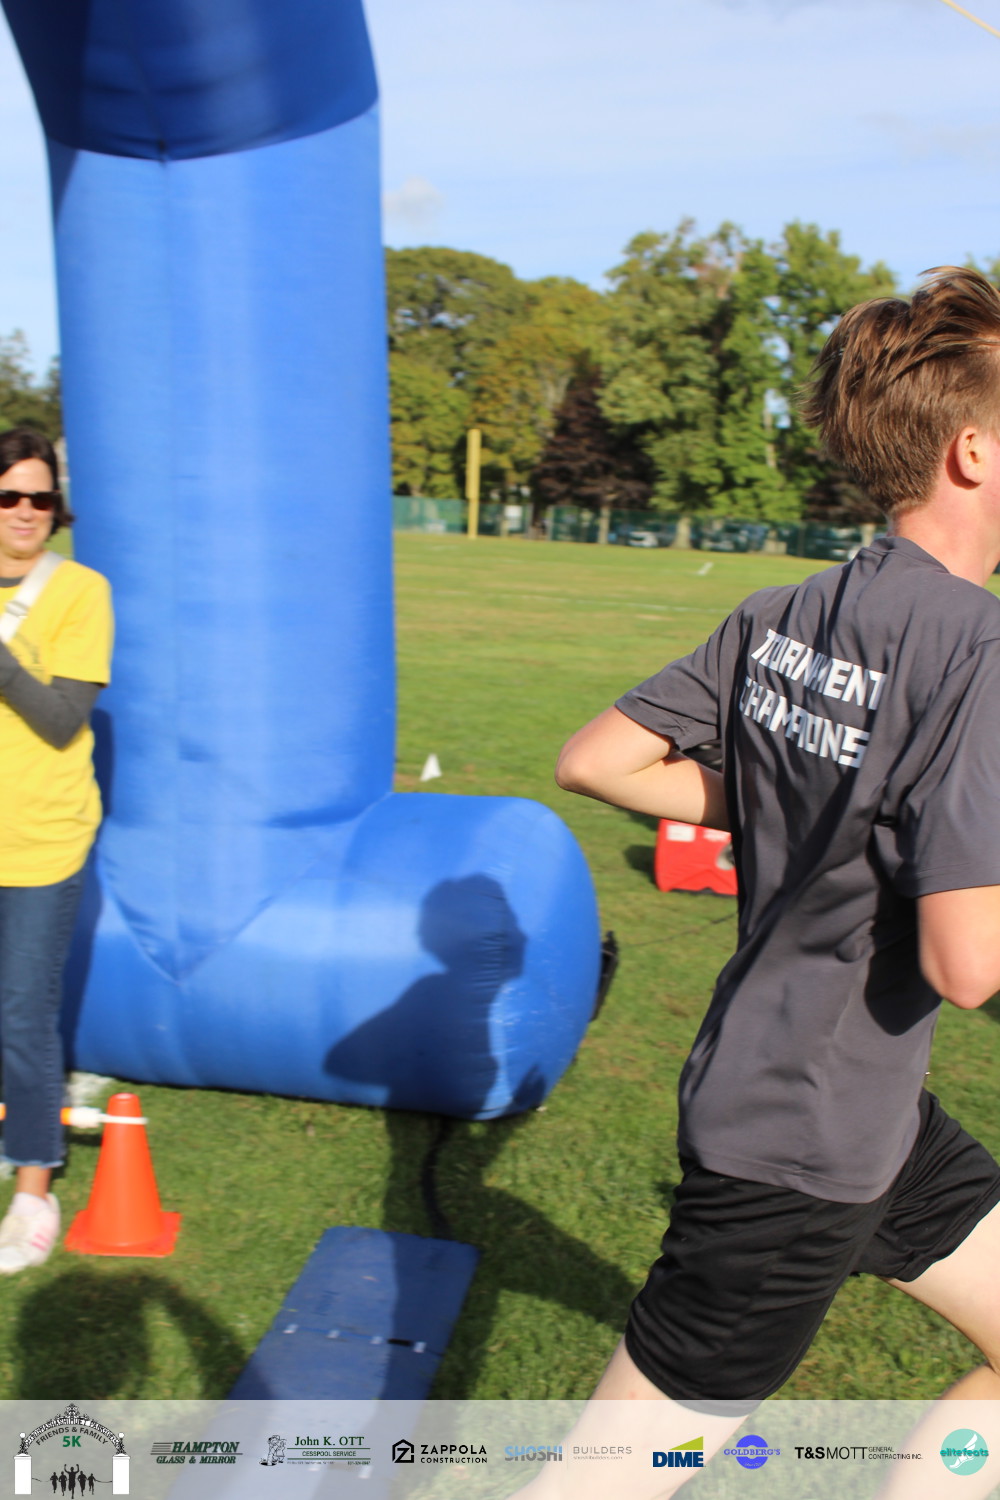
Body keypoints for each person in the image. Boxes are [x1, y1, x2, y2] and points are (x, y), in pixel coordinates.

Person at [518, 267, 1000, 1500]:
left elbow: (597, 760)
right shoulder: (979, 648)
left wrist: (817, 803)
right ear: (972, 451)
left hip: (860, 1112)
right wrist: (846, 810)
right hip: (796, 1150)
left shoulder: (785, 608)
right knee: (597, 1487)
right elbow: (965, 963)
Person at [0, 427, 112, 1274]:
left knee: (20, 1012)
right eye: (9, 495)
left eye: (40, 497)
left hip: (41, 835)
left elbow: (62, 720)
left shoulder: (79, 591)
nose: (26, 511)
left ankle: (35, 1189)